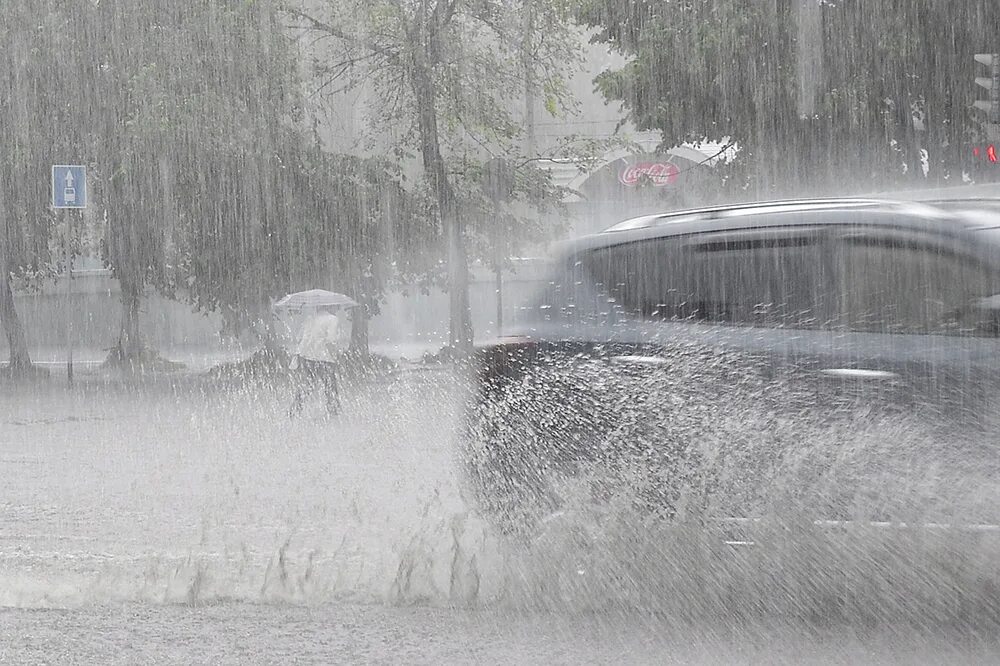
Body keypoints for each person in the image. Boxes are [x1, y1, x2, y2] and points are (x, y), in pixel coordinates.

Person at [288, 306, 350, 417]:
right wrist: (336, 356)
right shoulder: (332, 319)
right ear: (330, 306)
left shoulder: (310, 318)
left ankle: (295, 409)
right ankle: (334, 412)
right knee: (330, 386)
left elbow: (304, 338)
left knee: (307, 385)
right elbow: (331, 340)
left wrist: (298, 355)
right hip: (325, 358)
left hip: (308, 358)